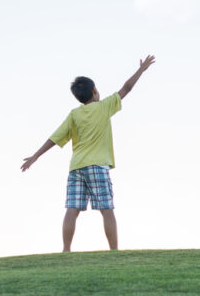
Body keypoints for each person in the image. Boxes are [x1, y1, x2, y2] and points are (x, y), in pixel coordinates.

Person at [21, 55, 156, 252]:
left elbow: (55, 137)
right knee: (106, 209)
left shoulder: (74, 114)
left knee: (72, 209)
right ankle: (114, 251)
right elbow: (126, 88)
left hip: (76, 167)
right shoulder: (104, 107)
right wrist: (141, 70)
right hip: (97, 166)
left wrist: (35, 156)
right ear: (95, 91)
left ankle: (66, 250)